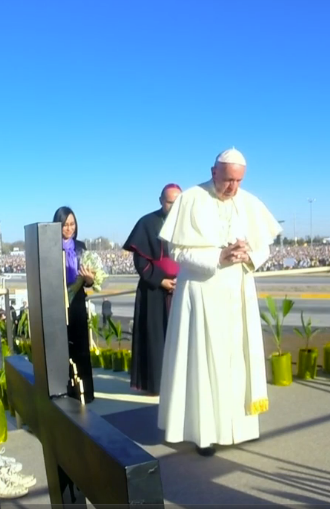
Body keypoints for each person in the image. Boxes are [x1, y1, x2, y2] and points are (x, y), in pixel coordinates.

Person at [156, 147, 282, 457]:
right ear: (214, 172)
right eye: (227, 180)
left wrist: (247, 254)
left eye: (238, 181)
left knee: (236, 363)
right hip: (201, 292)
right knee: (204, 362)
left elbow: (265, 247)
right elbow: (178, 252)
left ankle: (239, 428)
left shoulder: (249, 202)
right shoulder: (190, 200)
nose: (233, 188)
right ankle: (205, 433)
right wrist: (218, 256)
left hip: (237, 293)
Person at [122, 183, 183, 395]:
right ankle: (156, 385)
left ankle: (181, 384)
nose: (173, 206)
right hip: (153, 290)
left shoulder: (189, 223)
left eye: (177, 202)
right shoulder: (147, 223)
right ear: (160, 201)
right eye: (169, 202)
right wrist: (161, 281)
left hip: (182, 288)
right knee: (155, 339)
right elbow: (141, 262)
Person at [54, 206, 96, 404]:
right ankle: (66, 390)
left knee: (81, 347)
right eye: (65, 225)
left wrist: (89, 279)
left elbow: (89, 282)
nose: (69, 229)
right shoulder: (51, 247)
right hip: (57, 304)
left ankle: (86, 392)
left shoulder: (81, 247)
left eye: (72, 224)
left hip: (77, 302)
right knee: (62, 347)